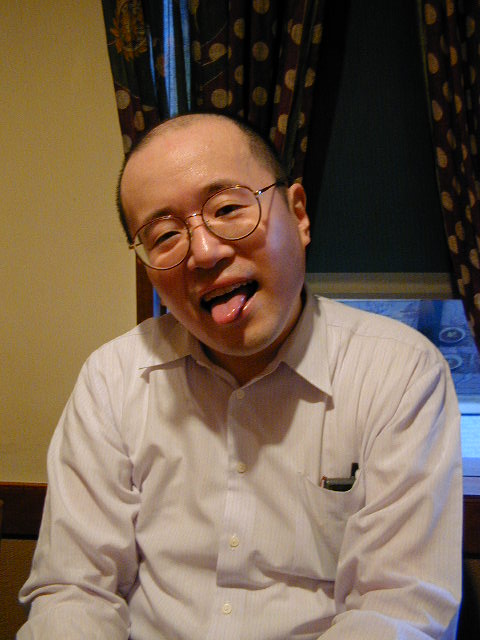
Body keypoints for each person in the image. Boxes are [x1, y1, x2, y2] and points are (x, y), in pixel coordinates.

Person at [18, 113, 462, 639]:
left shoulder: (399, 373)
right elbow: (75, 590)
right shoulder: (113, 378)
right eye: (164, 235)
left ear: (299, 214)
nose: (205, 253)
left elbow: (398, 610)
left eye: (227, 209)